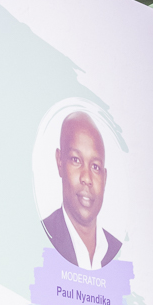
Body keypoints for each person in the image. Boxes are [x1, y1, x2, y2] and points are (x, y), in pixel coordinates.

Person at [42, 112, 122, 269]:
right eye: (76, 160)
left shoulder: (117, 251)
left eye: (95, 167)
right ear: (59, 161)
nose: (86, 178)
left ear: (105, 178)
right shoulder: (43, 235)